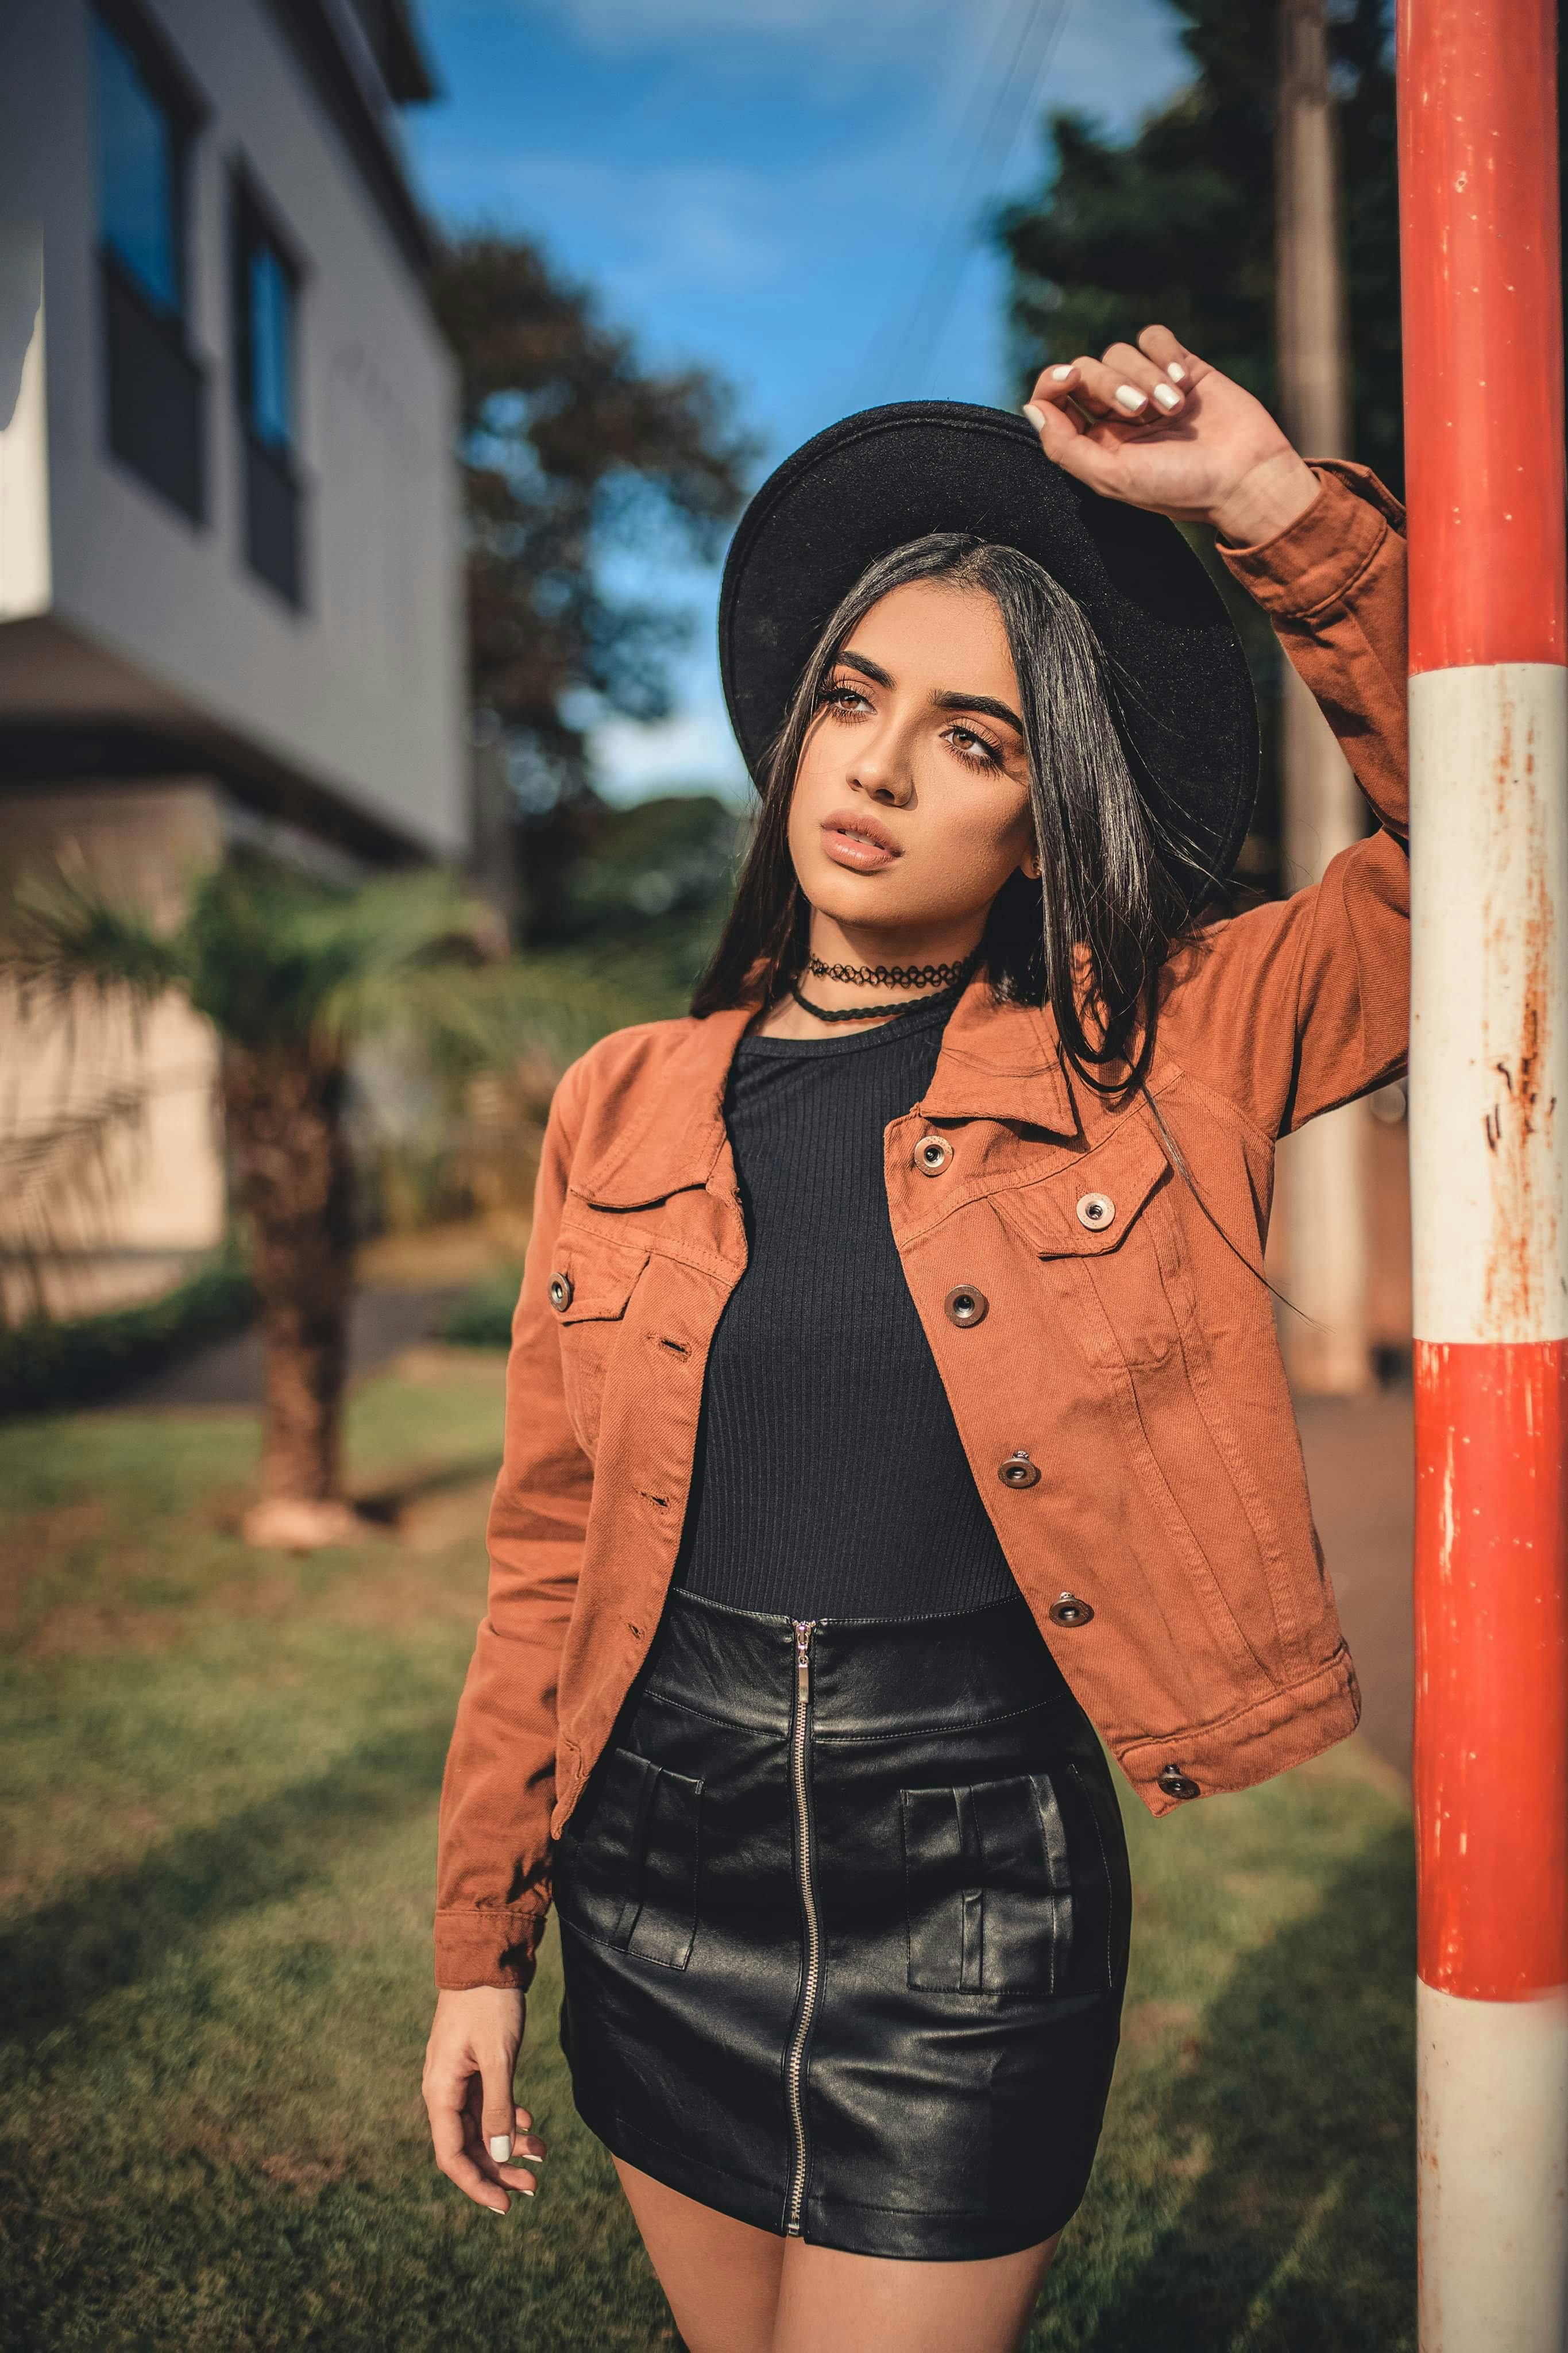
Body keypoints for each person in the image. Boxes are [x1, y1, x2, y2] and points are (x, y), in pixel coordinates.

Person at [422, 323, 1408, 2353]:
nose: (872, 767)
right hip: (653, 1850)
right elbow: (547, 1555)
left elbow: (1506, 840)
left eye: (974, 738)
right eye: (856, 701)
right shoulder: (621, 1096)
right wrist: (476, 1944)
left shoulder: (1169, 1047)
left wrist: (1265, 511)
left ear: (1047, 825)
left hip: (967, 1881)